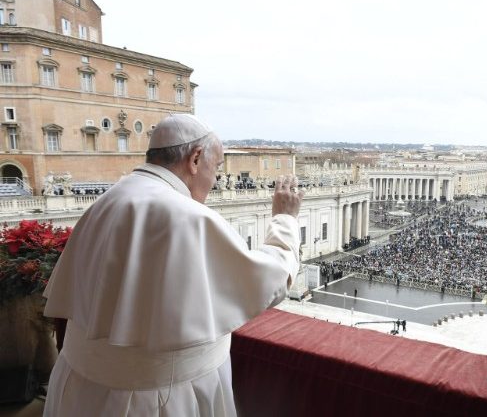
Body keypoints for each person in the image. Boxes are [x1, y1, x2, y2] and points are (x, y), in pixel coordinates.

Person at [42, 114, 304, 416]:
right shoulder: (188, 216)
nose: (215, 179)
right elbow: (270, 281)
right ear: (195, 159)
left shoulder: (106, 201)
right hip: (160, 399)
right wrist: (284, 220)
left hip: (80, 389)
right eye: (216, 167)